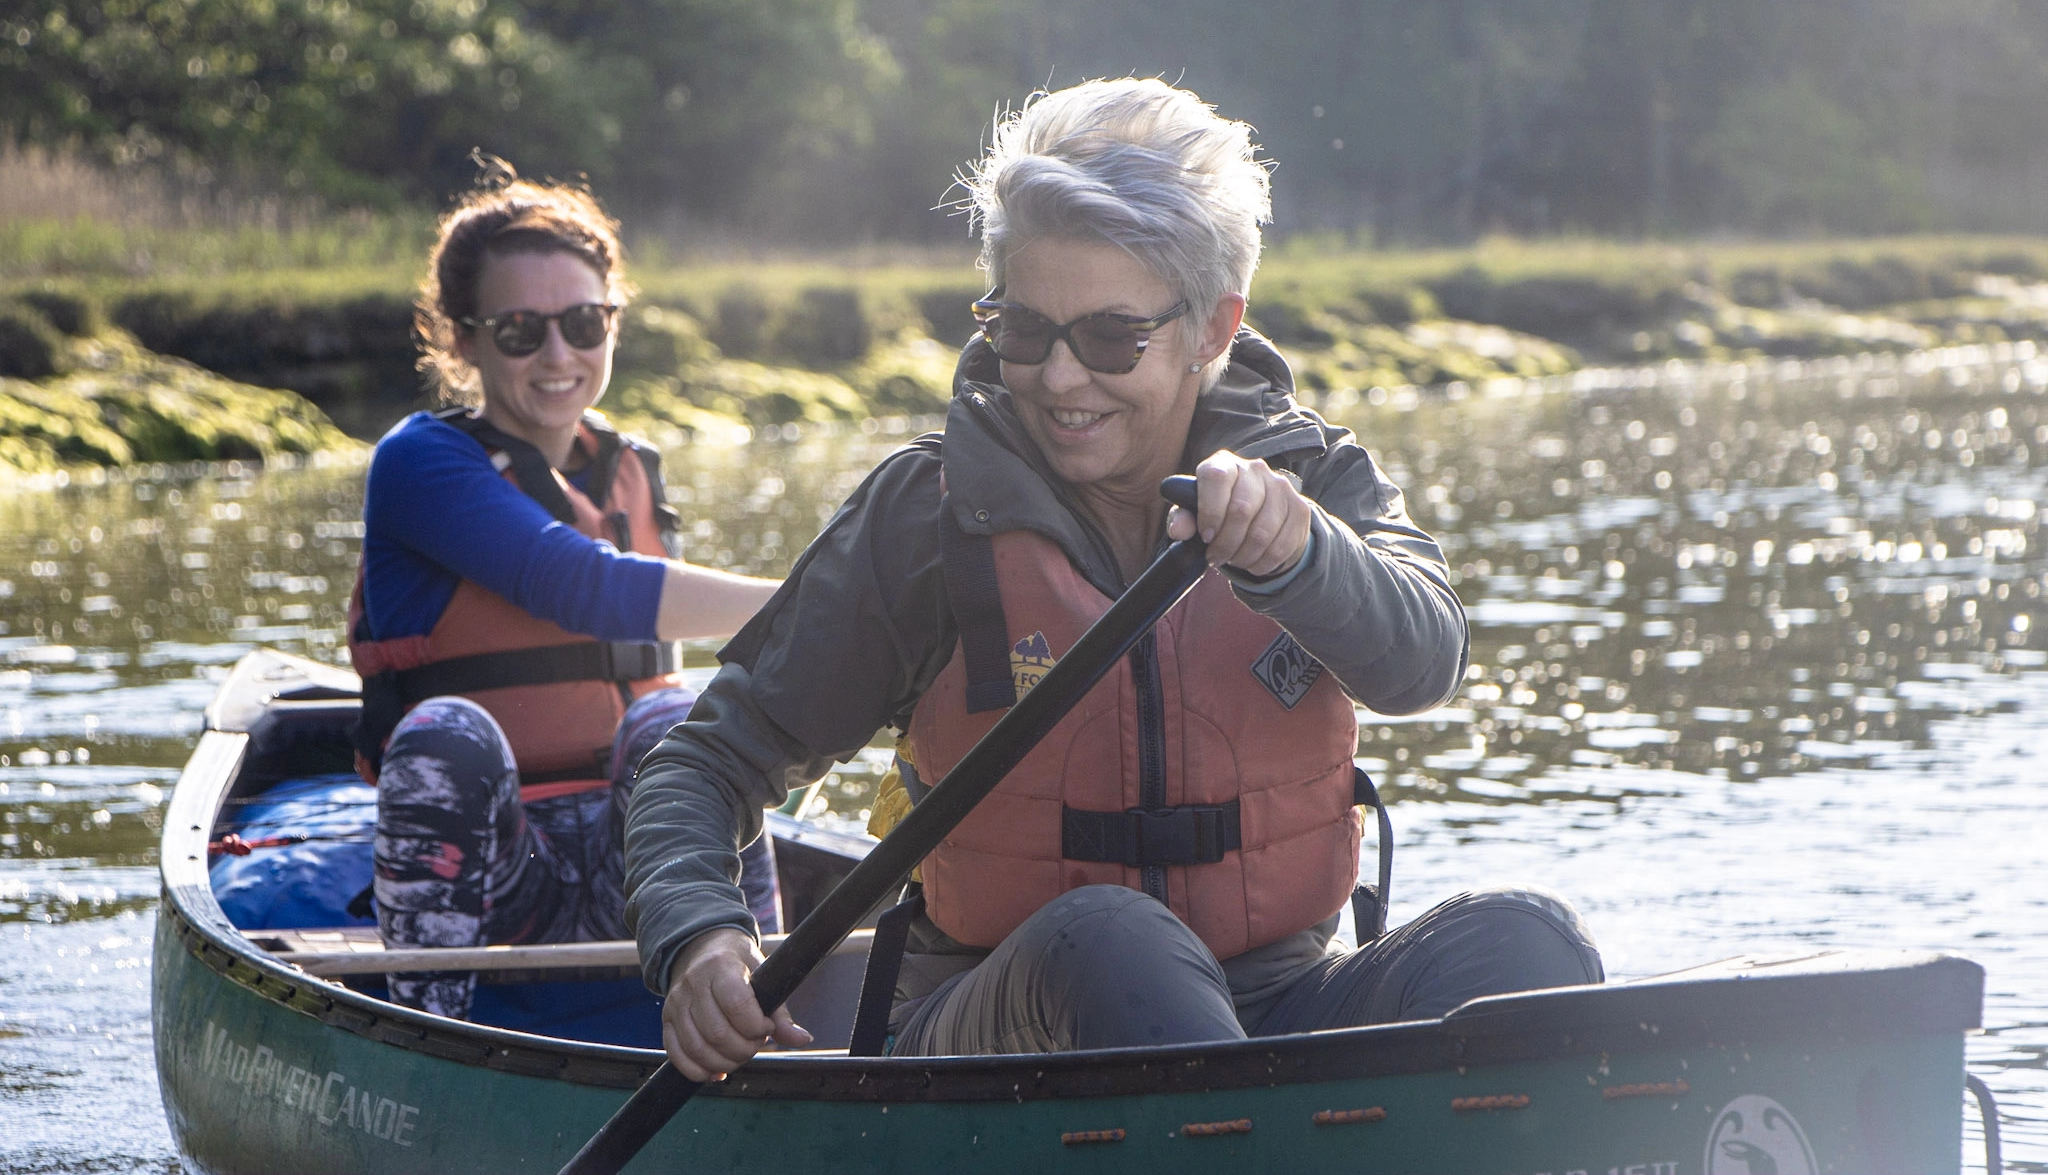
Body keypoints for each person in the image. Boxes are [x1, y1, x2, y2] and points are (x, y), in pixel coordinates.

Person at [625, 79, 1602, 1078]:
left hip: (1277, 1009)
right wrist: (700, 934)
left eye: (1106, 339)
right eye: (1021, 330)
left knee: (1525, 944)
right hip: (1005, 1033)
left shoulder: (1314, 480)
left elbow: (1424, 663)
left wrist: (1298, 556)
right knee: (1114, 942)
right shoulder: (926, 515)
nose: (1057, 378)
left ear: (1212, 330)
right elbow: (704, 763)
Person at [347, 170, 782, 1019]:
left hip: (648, 863)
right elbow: (582, 587)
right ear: (464, 341)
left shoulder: (631, 469)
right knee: (447, 732)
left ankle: (759, 1008)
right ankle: (427, 1032)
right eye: (519, 331)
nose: (558, 356)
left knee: (676, 719)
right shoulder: (418, 463)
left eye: (584, 324)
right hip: (496, 873)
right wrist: (829, 598)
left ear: (611, 321)